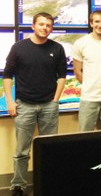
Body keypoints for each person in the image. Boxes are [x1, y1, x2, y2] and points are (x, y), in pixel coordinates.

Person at [3, 12, 67, 196]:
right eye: (41, 24)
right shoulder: (18, 48)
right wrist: (10, 101)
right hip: (25, 106)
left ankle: (50, 182)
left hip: (49, 106)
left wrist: (55, 101)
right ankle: (18, 186)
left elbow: (62, 76)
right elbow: (7, 75)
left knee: (50, 148)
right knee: (22, 150)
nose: (44, 28)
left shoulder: (57, 48)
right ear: (33, 26)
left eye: (48, 25)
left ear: (51, 28)